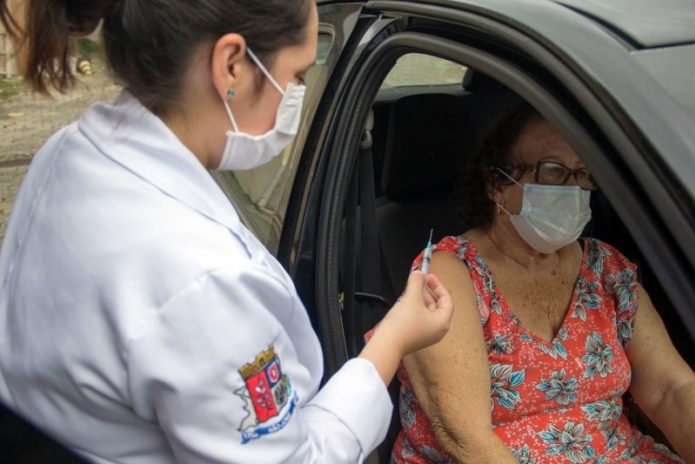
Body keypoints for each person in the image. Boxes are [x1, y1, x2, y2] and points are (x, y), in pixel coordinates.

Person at [0, 1, 453, 462]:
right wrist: (394, 339)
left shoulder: (65, 153)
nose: (297, 94)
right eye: (297, 76)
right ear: (232, 66)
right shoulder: (202, 281)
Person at [389, 102, 695, 463]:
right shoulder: (452, 273)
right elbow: (467, 440)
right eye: (553, 171)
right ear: (498, 185)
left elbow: (671, 390)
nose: (574, 188)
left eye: (583, 174)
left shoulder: (605, 270)